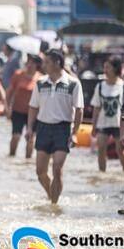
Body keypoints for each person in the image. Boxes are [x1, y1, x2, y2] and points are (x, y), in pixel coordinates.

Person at [26, 49, 84, 204]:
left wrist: (75, 132)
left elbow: (79, 110)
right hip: (43, 127)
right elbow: (33, 107)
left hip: (63, 129)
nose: (43, 65)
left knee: (57, 168)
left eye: (47, 62)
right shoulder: (40, 83)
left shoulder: (73, 83)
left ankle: (53, 204)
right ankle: (52, 196)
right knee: (40, 172)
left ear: (58, 63)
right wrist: (30, 129)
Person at [91, 56, 124, 172]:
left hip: (118, 124)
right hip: (103, 124)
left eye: (108, 67)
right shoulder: (100, 86)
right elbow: (96, 108)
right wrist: (93, 126)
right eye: (104, 67)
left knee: (120, 150)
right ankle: (102, 174)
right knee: (101, 150)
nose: (105, 70)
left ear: (116, 68)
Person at [5, 53, 42, 158]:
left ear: (37, 65)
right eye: (28, 62)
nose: (29, 65)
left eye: (32, 63)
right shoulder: (18, 74)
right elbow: (9, 91)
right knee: (16, 136)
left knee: (30, 138)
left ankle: (27, 160)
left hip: (34, 113)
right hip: (18, 110)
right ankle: (11, 156)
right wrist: (7, 107)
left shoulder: (41, 79)